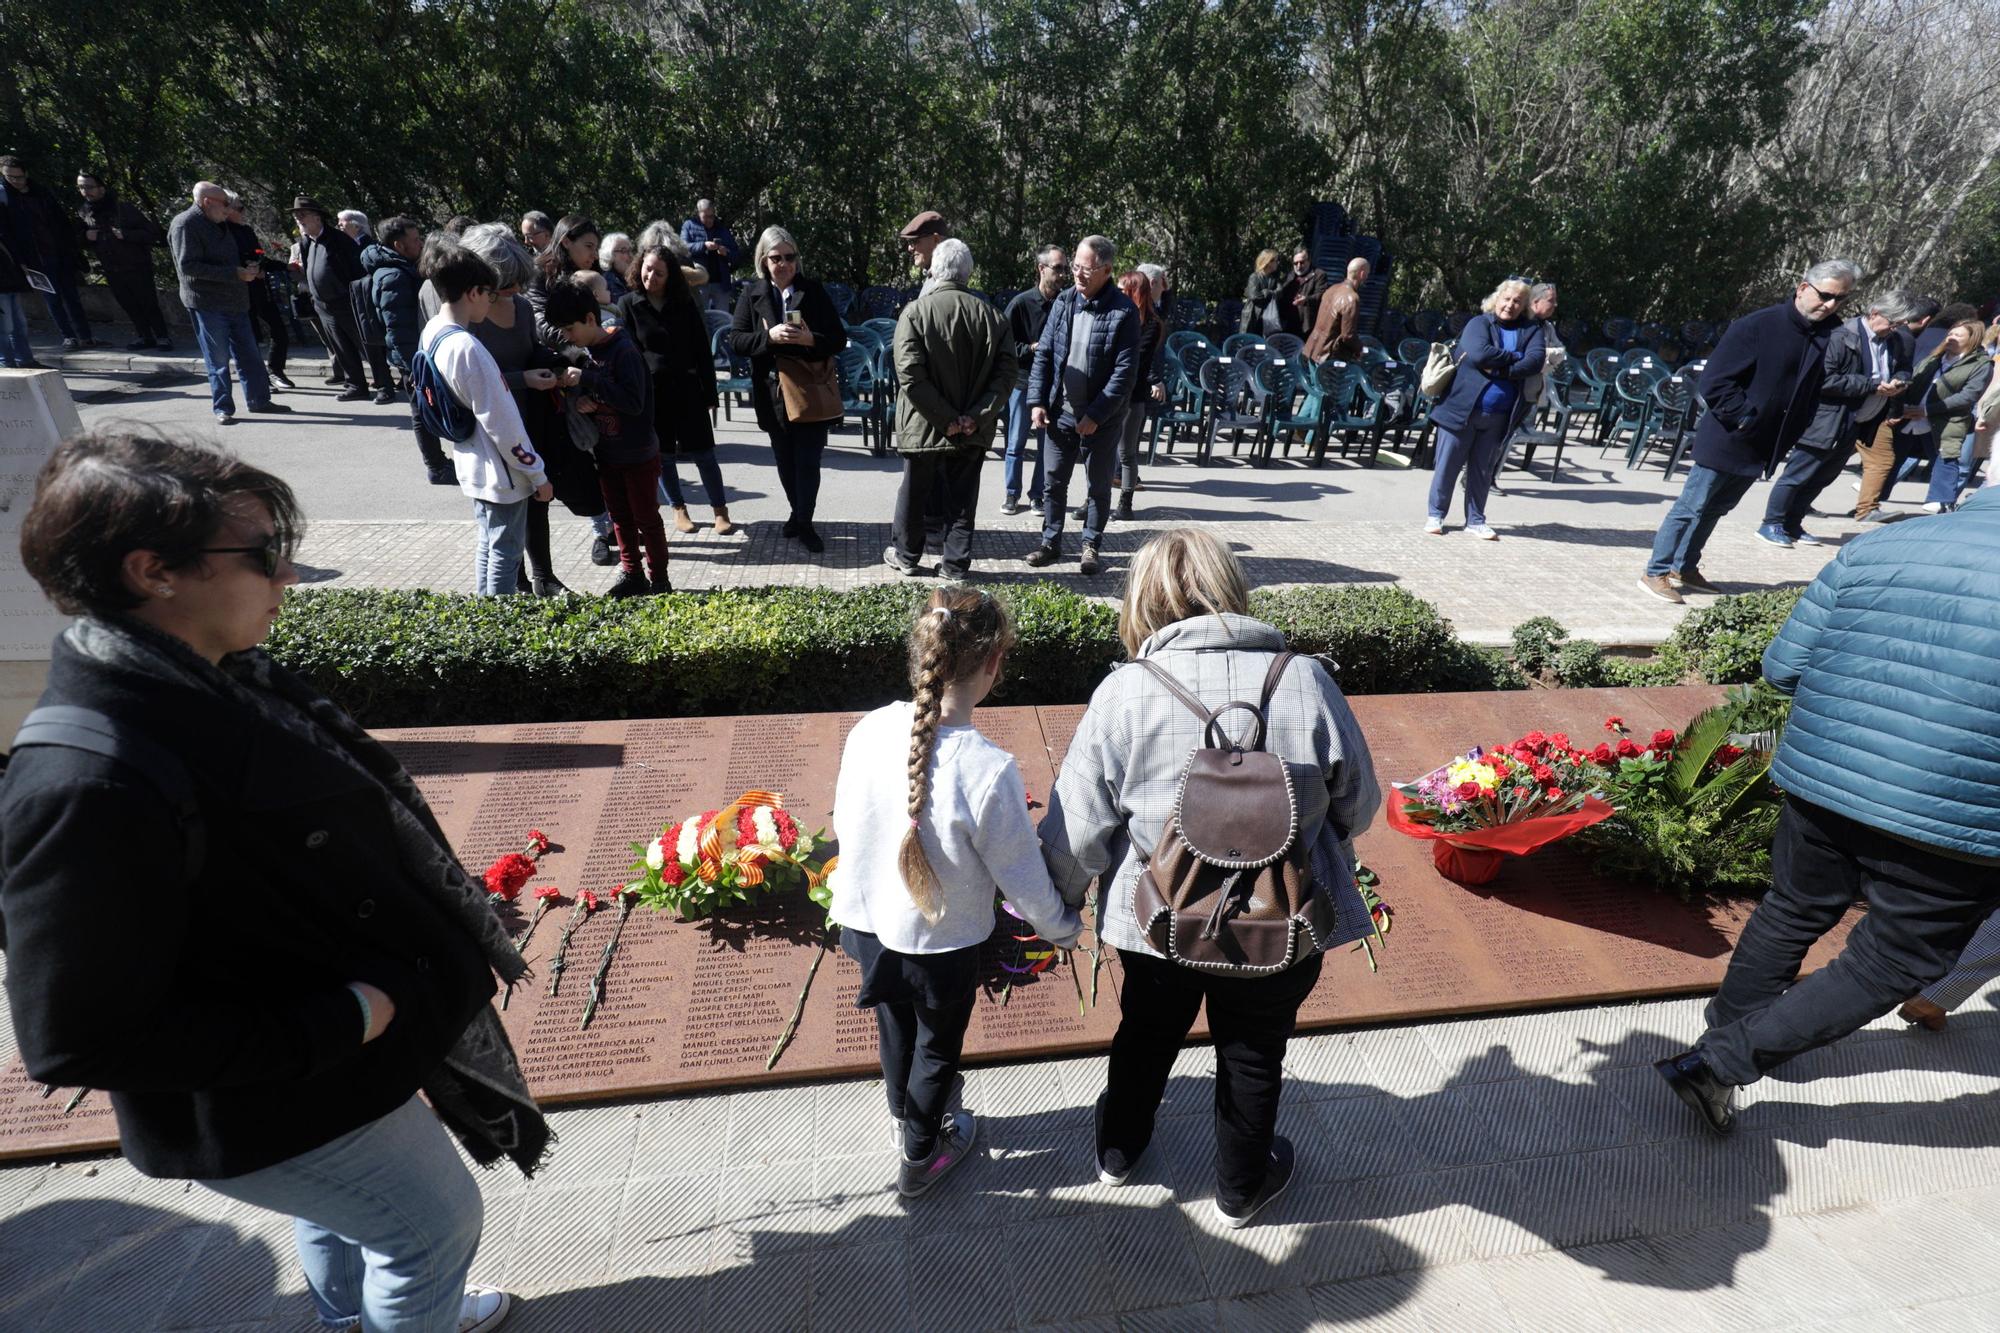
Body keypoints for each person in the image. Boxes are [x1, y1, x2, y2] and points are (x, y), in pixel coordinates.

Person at [1, 429, 538, 1333]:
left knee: (349, 1209)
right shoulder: (86, 782)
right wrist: (344, 1018)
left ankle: (344, 1317)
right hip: (276, 1090)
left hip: (330, 1068)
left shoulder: (219, 679)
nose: (288, 576)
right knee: (431, 1229)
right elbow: (73, 1037)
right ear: (152, 571)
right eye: (262, 555)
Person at [1038, 529, 1382, 1226]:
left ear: (1143, 599)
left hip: (1159, 921)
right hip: (1278, 921)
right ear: (1230, 587)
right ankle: (1240, 1187)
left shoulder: (1125, 692)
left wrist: (1062, 907)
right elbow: (1361, 803)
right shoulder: (1306, 678)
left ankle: (1118, 1149)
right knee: (1254, 1051)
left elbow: (1077, 830)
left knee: (1145, 1032)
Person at [1655, 482, 2000, 1134]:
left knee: (1793, 906)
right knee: (1891, 961)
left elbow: (1783, 666)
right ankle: (1720, 1062)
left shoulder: (1884, 544)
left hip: (1824, 775)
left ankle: (1727, 1039)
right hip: (1956, 810)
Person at [828, 587, 1082, 1196]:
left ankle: (901, 1118)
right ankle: (921, 1156)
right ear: (995, 662)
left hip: (866, 926)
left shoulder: (868, 729)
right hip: (940, 945)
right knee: (938, 1050)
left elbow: (845, 820)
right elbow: (1021, 874)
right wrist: (1063, 930)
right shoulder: (986, 768)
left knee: (895, 1026)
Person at [1638, 260, 1855, 604]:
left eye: (1839, 299)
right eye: (1825, 295)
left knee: (1717, 508)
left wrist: (1795, 425)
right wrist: (1744, 418)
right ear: (1802, 288)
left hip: (1763, 443)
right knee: (1691, 506)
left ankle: (1685, 566)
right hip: (1728, 435)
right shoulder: (1758, 325)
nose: (1830, 304)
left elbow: (1810, 386)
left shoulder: (1826, 333)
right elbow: (1715, 381)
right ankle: (1656, 571)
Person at [458, 224, 602, 594]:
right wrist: (524, 378)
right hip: (493, 428)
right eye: (507, 285)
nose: (517, 291)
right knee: (506, 515)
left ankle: (543, 577)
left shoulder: (520, 307)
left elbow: (531, 350)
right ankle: (515, 585)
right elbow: (475, 382)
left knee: (539, 499)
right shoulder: (468, 320)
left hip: (531, 423)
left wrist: (562, 362)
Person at [419, 243, 554, 594]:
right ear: (474, 292)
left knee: (488, 544)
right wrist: (537, 474)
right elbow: (503, 423)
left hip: (471, 459)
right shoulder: (469, 349)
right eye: (489, 294)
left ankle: (484, 619)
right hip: (501, 471)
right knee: (505, 554)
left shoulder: (433, 331)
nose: (492, 302)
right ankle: (499, 630)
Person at [884, 239, 1015, 580]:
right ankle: (955, 565)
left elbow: (910, 376)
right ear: (968, 273)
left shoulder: (915, 311)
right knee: (962, 500)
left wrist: (945, 418)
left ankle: (907, 556)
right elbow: (1005, 378)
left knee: (914, 492)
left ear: (935, 270)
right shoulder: (994, 318)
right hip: (972, 429)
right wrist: (974, 417)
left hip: (924, 425)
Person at [1758, 289, 1916, 545]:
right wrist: (1872, 385)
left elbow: (1903, 368)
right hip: (1826, 419)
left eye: (1900, 324)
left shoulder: (1893, 341)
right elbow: (1824, 380)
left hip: (1858, 422)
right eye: (1893, 322)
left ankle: (1792, 524)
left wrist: (1901, 381)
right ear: (1875, 313)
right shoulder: (1842, 336)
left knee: (1823, 477)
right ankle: (1772, 523)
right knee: (1798, 474)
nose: (1895, 329)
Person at [543, 273, 668, 596]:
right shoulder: (589, 354)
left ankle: (659, 580)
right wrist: (588, 401)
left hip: (638, 454)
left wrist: (590, 381)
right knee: (620, 520)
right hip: (608, 454)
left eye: (571, 329)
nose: (569, 337)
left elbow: (633, 402)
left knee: (646, 519)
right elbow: (602, 400)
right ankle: (632, 574)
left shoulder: (622, 351)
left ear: (589, 318)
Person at [1023, 235, 1137, 576]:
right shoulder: (1063, 302)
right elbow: (1044, 354)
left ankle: (1091, 545)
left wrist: (1095, 415)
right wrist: (1037, 401)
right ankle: (1051, 542)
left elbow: (1124, 374)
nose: (1077, 274)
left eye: (1085, 269)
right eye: (1075, 267)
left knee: (1097, 487)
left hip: (1101, 421)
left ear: (1106, 270)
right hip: (1060, 414)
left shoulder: (1124, 311)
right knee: (1053, 482)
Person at [729, 225, 847, 554]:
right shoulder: (751, 293)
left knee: (808, 460)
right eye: (776, 258)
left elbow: (837, 339)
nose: (784, 264)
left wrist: (810, 339)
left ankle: (805, 522)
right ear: (763, 261)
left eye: (790, 257)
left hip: (809, 390)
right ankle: (798, 513)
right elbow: (736, 340)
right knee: (784, 460)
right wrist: (769, 338)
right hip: (772, 393)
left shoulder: (813, 290)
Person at [618, 244, 734, 536]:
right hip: (652, 394)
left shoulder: (684, 304)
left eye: (659, 273)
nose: (651, 277)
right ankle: (678, 508)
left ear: (670, 275)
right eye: (647, 270)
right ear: (638, 269)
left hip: (688, 389)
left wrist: (710, 393)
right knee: (664, 456)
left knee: (704, 454)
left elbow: (701, 352)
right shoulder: (629, 304)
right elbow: (628, 352)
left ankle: (720, 510)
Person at [1424, 278, 1546, 540]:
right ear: (1497, 299)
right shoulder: (1478, 323)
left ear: (1524, 306)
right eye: (1507, 299)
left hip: (1500, 414)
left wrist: (1500, 366)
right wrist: (1516, 357)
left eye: (1517, 302)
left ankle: (1476, 520)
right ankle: (1436, 514)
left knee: (1482, 470)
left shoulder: (1532, 330)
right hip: (1461, 408)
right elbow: (1479, 355)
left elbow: (1535, 361)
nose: (1510, 305)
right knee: (1448, 465)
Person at [169, 183, 292, 425]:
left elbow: (237, 255)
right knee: (218, 359)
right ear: (207, 202)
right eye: (225, 204)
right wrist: (235, 273)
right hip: (208, 303)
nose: (230, 208)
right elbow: (188, 267)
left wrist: (251, 268)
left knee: (250, 355)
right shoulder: (185, 224)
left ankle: (259, 400)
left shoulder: (222, 223)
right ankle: (223, 408)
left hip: (237, 301)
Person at [364, 216, 452, 485]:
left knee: (423, 410)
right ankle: (436, 467)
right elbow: (398, 327)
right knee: (421, 412)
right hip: (412, 358)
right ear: (399, 245)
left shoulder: (400, 268)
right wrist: (413, 366)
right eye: (415, 240)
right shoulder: (394, 276)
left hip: (415, 355)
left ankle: (438, 462)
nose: (421, 244)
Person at [0, 155, 96, 349]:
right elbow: (8, 234)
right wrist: (21, 262)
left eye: (19, 176)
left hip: (59, 251)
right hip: (35, 258)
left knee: (72, 296)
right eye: (11, 177)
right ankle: (68, 336)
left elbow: (60, 220)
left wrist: (72, 248)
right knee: (53, 299)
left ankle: (86, 336)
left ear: (26, 174)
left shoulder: (40, 192)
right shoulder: (5, 198)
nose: (16, 181)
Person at [1000, 245, 1065, 516]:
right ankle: (1011, 494)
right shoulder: (1021, 303)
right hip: (1022, 382)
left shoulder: (1066, 302)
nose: (1063, 274)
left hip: (1052, 386)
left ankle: (1038, 495)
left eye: (1065, 268)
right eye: (1057, 268)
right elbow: (1004, 345)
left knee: (1044, 447)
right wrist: (1032, 348)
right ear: (1041, 269)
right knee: (1015, 443)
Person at [292, 195, 377, 402]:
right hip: (323, 305)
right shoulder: (306, 242)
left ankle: (384, 382)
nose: (299, 219)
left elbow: (356, 270)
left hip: (345, 301)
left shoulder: (338, 239)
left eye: (303, 215)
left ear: (318, 217)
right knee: (341, 347)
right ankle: (356, 385)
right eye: (296, 216)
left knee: (365, 344)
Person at [1907, 306, 1991, 513]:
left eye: (1958, 335)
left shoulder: (1979, 364)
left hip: (1949, 419)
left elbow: (1968, 395)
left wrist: (1928, 410)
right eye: (1950, 333)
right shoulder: (1936, 357)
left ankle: (1941, 500)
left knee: (1947, 456)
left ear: (1971, 339)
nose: (1951, 337)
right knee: (1897, 451)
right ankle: (1873, 495)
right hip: (1913, 412)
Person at [75, 170, 170, 351]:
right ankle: (144, 336)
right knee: (128, 304)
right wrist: (86, 236)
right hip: (111, 268)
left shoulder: (123, 208)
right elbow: (77, 240)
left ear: (101, 188)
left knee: (148, 302)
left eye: (89, 187)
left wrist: (125, 235)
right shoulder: (83, 212)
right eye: (81, 187)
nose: (85, 191)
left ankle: (163, 336)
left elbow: (151, 234)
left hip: (137, 265)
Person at [223, 192, 293, 388]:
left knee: (279, 330)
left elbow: (258, 255)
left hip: (259, 289)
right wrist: (246, 269)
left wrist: (280, 266)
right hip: (239, 293)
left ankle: (275, 370)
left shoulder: (246, 231)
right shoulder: (220, 232)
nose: (243, 211)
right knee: (249, 337)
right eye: (239, 207)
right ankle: (259, 377)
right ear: (227, 209)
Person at [1113, 269, 1164, 520]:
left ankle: (1125, 503)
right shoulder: (1116, 315)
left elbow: (1137, 358)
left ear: (1135, 291)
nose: (1118, 293)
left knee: (1126, 452)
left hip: (1132, 397)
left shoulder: (1151, 324)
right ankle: (1093, 499)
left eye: (1124, 289)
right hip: (1109, 394)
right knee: (1101, 450)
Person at [528, 215, 599, 344]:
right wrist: (580, 346)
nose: (595, 255)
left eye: (596, 248)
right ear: (566, 242)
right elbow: (540, 322)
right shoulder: (540, 272)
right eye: (589, 246)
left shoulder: (593, 274)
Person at [1303, 257, 1370, 364]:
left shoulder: (1332, 289)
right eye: (1367, 274)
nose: (1366, 277)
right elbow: (1348, 335)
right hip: (1329, 358)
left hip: (1312, 350)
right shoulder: (1352, 298)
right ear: (1362, 274)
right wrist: (1360, 348)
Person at [681, 199, 741, 314]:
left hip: (721, 283)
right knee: (701, 319)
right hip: (699, 283)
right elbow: (683, 248)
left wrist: (726, 252)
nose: (710, 220)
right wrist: (704, 246)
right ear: (699, 214)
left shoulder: (721, 229)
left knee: (723, 320)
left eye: (712, 216)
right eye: (706, 216)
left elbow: (736, 254)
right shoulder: (689, 225)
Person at [0, 229, 37, 368]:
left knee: (19, 326)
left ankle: (25, 360)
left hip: (11, 285)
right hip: (4, 288)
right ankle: (6, 362)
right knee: (4, 328)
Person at [901, 210, 949, 296]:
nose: (910, 248)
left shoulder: (944, 282)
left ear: (936, 240)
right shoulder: (934, 275)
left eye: (914, 241)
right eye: (909, 243)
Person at [1239, 249, 1286, 336]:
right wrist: (1270, 294)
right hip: (1253, 318)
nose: (1277, 263)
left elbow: (1280, 292)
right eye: (1275, 261)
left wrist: (1267, 292)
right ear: (1268, 262)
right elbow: (1254, 296)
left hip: (1268, 318)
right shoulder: (1254, 277)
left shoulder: (1274, 279)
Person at [1282, 249, 1327, 334]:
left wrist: (1306, 300)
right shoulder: (1290, 275)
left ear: (1309, 261)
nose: (1298, 266)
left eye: (1302, 262)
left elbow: (1321, 295)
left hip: (1307, 325)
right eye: (1295, 263)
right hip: (1288, 323)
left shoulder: (1319, 275)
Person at [599, 232, 634, 302]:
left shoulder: (632, 279)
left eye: (630, 250)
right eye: (624, 251)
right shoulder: (605, 283)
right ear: (609, 254)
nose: (630, 255)